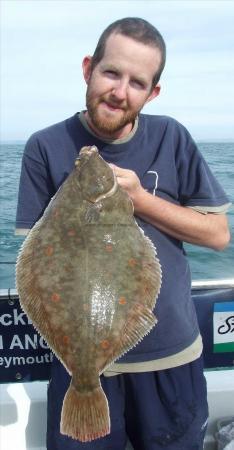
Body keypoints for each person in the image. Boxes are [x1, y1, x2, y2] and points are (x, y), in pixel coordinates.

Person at [16, 17, 230, 450]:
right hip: (77, 362)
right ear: (88, 69)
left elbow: (218, 236)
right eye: (111, 72)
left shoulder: (172, 137)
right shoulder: (44, 146)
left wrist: (140, 199)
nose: (120, 91)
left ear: (152, 92)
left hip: (171, 361)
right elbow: (34, 255)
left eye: (137, 82)